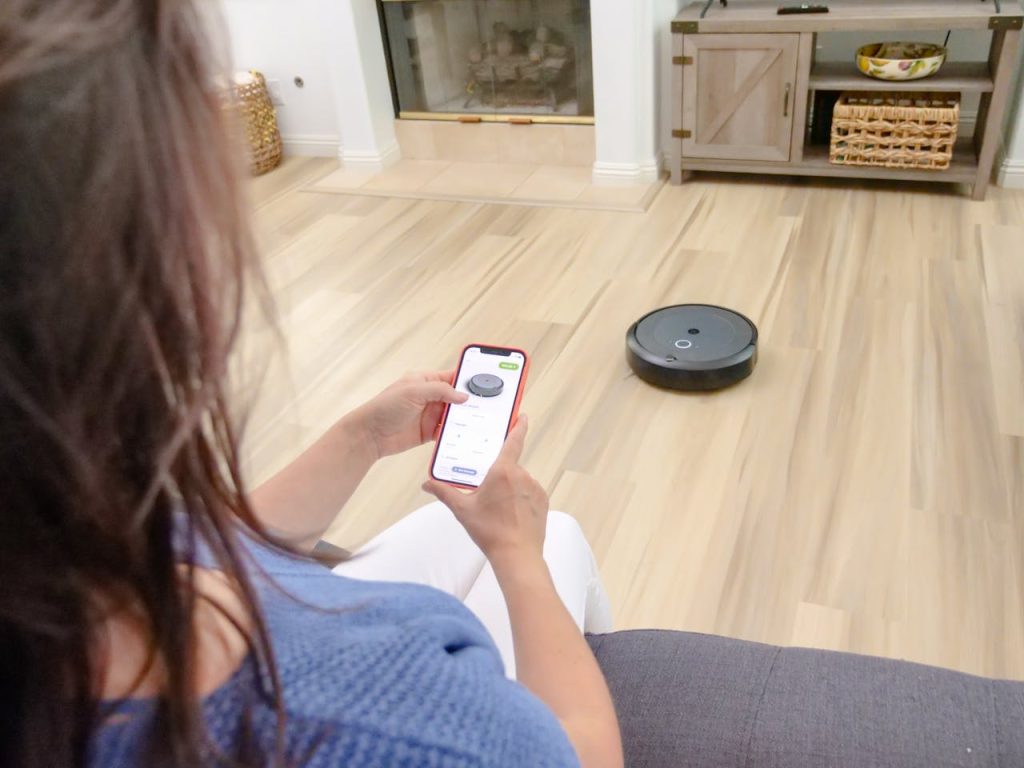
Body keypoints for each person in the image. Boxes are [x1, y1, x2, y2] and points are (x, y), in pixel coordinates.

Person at [0, 1, 623, 767]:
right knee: (554, 533)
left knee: (470, 526)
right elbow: (582, 757)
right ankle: (610, 657)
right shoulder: (384, 728)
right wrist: (516, 554)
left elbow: (212, 545)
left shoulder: (61, 532)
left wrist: (360, 438)